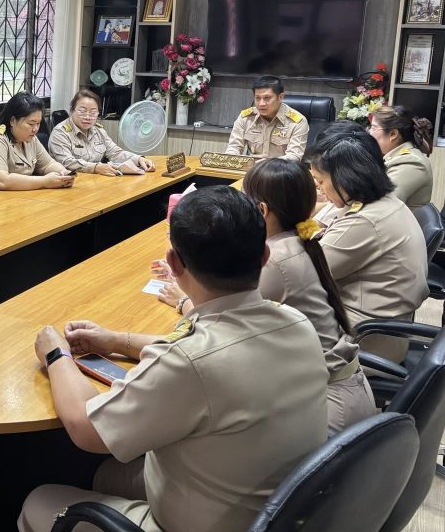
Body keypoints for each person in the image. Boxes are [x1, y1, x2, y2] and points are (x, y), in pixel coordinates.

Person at [18, 187, 327, 532]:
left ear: (174, 263)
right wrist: (116, 340)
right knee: (106, 474)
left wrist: (56, 354)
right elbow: (212, 350)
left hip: (207, 530)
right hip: (279, 514)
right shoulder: (297, 322)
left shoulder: (188, 363)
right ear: (264, 256)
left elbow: (85, 428)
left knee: (37, 501)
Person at [158, 160, 376, 433]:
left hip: (327, 409)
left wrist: (183, 296)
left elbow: (217, 327)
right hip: (339, 390)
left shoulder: (275, 262)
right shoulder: (298, 241)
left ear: (261, 210)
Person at [307, 127, 429, 362]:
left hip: (364, 339)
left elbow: (303, 274)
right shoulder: (378, 202)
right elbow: (316, 231)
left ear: (345, 178)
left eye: (321, 181)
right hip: (374, 326)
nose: (319, 189)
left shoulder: (365, 221)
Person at [0, 92, 73, 198]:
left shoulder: (30, 138)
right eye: (31, 124)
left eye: (38, 124)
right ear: (13, 121)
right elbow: (1, 181)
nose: (35, 129)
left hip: (19, 199)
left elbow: (48, 164)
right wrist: (45, 181)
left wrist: (64, 173)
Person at [48, 89, 155, 176]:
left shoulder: (98, 131)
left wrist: (138, 159)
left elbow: (115, 153)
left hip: (95, 181)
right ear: (72, 110)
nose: (87, 117)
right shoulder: (60, 132)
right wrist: (95, 168)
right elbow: (67, 162)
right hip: (70, 183)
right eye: (82, 111)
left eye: (93, 112)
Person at [225, 75, 309, 160]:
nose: (261, 104)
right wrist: (230, 160)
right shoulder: (246, 118)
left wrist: (266, 165)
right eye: (257, 98)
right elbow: (234, 147)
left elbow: (294, 157)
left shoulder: (297, 122)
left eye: (267, 98)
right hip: (251, 167)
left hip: (280, 167)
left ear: (280, 97)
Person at [367, 104, 434, 210]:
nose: (369, 132)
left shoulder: (411, 163)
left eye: (373, 128)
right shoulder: (391, 156)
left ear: (393, 134)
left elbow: (382, 204)